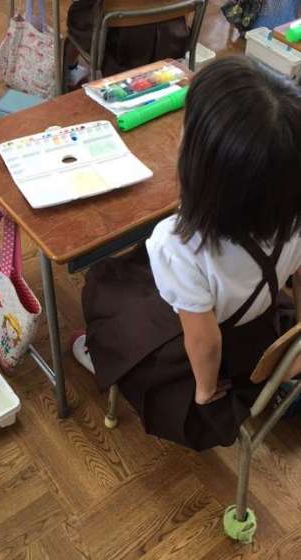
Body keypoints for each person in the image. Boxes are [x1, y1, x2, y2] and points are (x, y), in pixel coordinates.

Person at [72, 56, 301, 451]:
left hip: (212, 342)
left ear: (202, 170)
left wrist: (205, 391)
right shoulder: (293, 214)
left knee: (104, 285)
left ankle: (107, 357)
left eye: (186, 131)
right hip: (257, 317)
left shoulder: (178, 243)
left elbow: (206, 343)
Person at [66, 0, 190, 85]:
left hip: (122, 47)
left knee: (79, 12)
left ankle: (69, 68)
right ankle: (70, 68)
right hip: (173, 38)